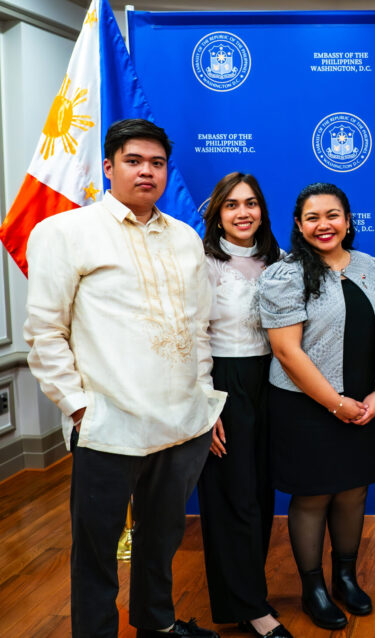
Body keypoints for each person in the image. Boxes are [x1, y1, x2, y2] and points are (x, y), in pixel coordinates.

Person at [24, 119, 224, 638]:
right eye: (134, 161)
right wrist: (78, 407)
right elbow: (45, 332)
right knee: (97, 550)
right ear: (109, 167)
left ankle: (156, 624)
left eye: (157, 163)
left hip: (183, 425)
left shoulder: (184, 238)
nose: (147, 172)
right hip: (109, 426)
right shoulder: (67, 232)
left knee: (161, 541)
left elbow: (200, 328)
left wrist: (202, 400)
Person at [258, 182, 375, 630]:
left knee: (354, 489)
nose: (324, 225)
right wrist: (336, 404)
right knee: (313, 494)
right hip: (306, 405)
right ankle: (313, 587)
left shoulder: (373, 268)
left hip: (363, 401)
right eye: (313, 217)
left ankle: (345, 577)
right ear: (299, 225)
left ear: (348, 220)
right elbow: (286, 351)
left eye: (332, 215)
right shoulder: (287, 273)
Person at [195, 173, 289, 637]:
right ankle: (254, 609)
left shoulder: (281, 260)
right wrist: (206, 407)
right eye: (232, 205)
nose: (243, 212)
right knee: (232, 500)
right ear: (217, 213)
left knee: (261, 496)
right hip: (223, 383)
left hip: (272, 380)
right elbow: (192, 338)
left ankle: (247, 594)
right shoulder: (202, 263)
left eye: (251, 203)